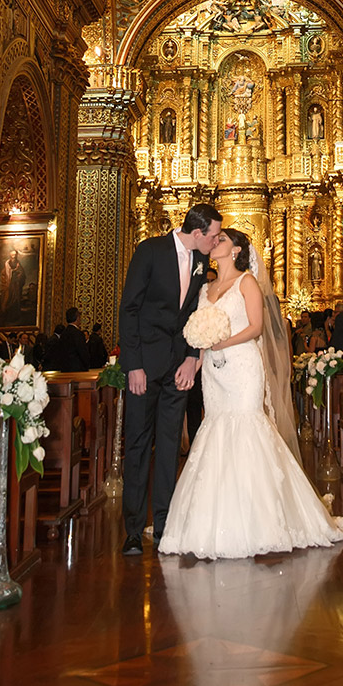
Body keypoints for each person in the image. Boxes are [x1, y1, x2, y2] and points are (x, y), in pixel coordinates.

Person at [159, 228, 343, 559]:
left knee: (247, 427)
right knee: (215, 429)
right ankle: (212, 520)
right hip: (213, 371)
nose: (215, 243)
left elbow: (256, 327)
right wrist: (195, 363)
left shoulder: (247, 282)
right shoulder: (205, 287)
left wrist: (223, 342)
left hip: (243, 367)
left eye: (221, 239)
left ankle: (261, 519)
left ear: (236, 249)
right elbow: (200, 332)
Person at [118, 202, 223, 555]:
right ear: (197, 233)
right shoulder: (149, 251)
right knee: (137, 445)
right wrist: (133, 364)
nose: (216, 241)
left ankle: (163, 524)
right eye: (213, 236)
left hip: (178, 369)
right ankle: (133, 529)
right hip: (144, 369)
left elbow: (194, 314)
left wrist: (192, 358)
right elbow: (129, 308)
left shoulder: (200, 262)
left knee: (167, 449)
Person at [54, 306, 92, 371]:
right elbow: (83, 352)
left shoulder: (63, 333)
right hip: (77, 369)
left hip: (64, 369)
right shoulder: (78, 334)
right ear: (77, 318)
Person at [0, 248, 26, 323]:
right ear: (10, 255)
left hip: (16, 286)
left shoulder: (18, 265)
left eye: (15, 255)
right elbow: (3, 275)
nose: (13, 256)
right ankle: (5, 317)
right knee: (6, 300)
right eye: (12, 255)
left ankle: (15, 317)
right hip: (8, 286)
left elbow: (22, 274)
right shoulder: (7, 265)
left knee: (15, 301)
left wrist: (18, 278)